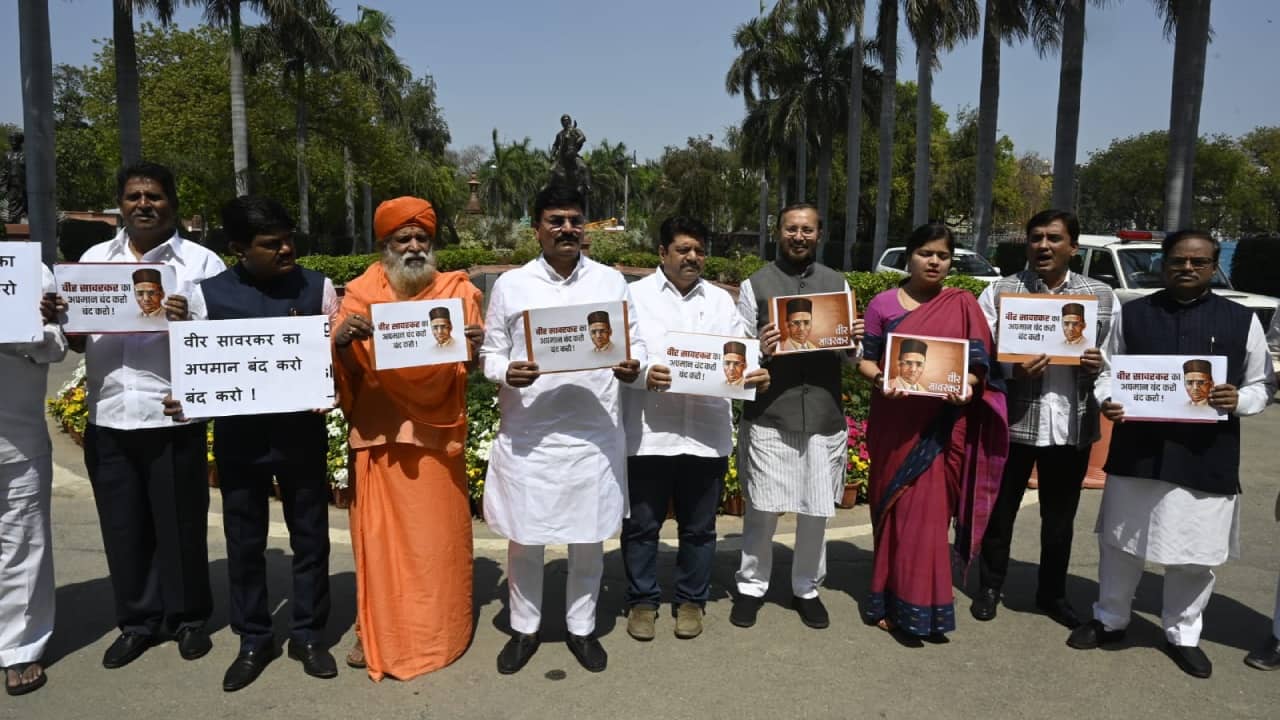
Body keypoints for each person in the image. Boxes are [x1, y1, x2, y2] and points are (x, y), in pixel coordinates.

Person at [1068, 230, 1275, 679]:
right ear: (1164, 264)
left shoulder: (1242, 321)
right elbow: (1107, 369)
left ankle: (1183, 633)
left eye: (1198, 262)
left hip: (1205, 454)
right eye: (1178, 261)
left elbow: (1262, 385)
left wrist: (1236, 400)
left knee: (1193, 552)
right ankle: (1110, 619)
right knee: (1120, 544)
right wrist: (1109, 400)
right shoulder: (1135, 313)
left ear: (1214, 265)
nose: (1187, 268)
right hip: (1138, 451)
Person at [166, 196, 338, 691]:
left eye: (288, 239)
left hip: (300, 434)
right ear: (239, 249)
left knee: (310, 539)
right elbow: (197, 366)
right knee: (244, 543)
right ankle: (253, 638)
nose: (286, 249)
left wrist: (329, 384)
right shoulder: (205, 296)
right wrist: (189, 400)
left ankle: (307, 635)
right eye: (271, 243)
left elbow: (328, 355)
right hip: (241, 439)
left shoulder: (316, 286)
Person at [61, 161, 226, 669]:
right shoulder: (92, 260)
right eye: (133, 196)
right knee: (123, 526)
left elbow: (223, 339)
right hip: (110, 415)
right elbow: (73, 339)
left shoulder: (201, 263)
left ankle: (190, 619)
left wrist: (189, 320)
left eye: (153, 195)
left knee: (181, 524)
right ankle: (137, 622)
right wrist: (59, 321)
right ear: (121, 203)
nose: (143, 204)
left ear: (171, 202)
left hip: (173, 416)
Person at [480, 183, 642, 674]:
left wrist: (634, 367)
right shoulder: (512, 284)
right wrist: (508, 372)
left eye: (575, 220)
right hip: (531, 435)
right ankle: (525, 630)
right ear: (537, 229)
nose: (567, 228)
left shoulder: (612, 282)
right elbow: (490, 352)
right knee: (525, 540)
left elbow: (636, 345)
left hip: (593, 435)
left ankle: (581, 628)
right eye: (556, 220)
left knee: (589, 539)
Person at [332, 196, 484, 682]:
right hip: (380, 437)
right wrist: (340, 343)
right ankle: (373, 627)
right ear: (385, 245)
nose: (415, 246)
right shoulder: (358, 295)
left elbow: (469, 364)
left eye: (423, 238)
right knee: (380, 546)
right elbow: (347, 368)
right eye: (404, 239)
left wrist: (476, 350)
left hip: (437, 443)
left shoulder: (456, 291)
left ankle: (440, 630)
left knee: (435, 546)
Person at [620, 216, 769, 642]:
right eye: (683, 249)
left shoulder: (723, 301)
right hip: (650, 431)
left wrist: (755, 373)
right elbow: (624, 359)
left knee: (700, 528)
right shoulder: (633, 296)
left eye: (699, 250)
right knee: (643, 525)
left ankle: (690, 601)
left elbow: (740, 353)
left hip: (705, 433)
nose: (692, 257)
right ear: (662, 253)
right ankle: (643, 602)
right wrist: (645, 375)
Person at [858, 223, 1008, 642]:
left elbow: (980, 368)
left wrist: (968, 389)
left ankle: (921, 607)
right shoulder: (883, 304)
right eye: (926, 253)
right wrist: (880, 380)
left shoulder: (963, 305)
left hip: (942, 428)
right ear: (910, 255)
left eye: (942, 255)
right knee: (892, 512)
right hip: (895, 423)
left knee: (926, 519)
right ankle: (886, 600)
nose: (934, 261)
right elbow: (865, 360)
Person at [971, 209, 1117, 629]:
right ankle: (990, 587)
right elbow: (980, 356)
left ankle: (1052, 594)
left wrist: (1097, 363)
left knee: (1059, 520)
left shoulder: (1101, 296)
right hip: (1013, 424)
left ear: (1073, 245)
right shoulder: (1001, 292)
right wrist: (1012, 369)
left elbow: (1115, 360)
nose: (1044, 246)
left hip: (1071, 426)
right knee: (1000, 515)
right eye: (1036, 237)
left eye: (1054, 238)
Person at [729, 203, 861, 631]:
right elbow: (737, 349)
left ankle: (806, 587)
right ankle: (752, 585)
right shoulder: (756, 284)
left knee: (816, 508)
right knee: (762, 508)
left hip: (822, 411)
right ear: (778, 232)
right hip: (771, 412)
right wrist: (760, 346)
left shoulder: (836, 283)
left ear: (819, 234)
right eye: (791, 229)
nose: (798, 236)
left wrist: (855, 340)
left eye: (807, 230)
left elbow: (849, 353)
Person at [0, 260, 67, 694]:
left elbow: (56, 347)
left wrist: (33, 325)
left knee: (21, 539)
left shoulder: (24, 272)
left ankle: (20, 648)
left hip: (15, 436)